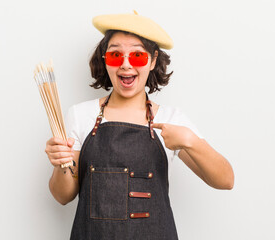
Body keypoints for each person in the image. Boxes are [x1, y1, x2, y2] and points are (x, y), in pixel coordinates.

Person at [45, 11, 234, 239]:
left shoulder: (170, 119)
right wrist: (60, 164)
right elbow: (63, 196)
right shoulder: (81, 115)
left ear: (153, 60)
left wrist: (190, 141)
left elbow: (226, 180)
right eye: (115, 55)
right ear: (105, 59)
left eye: (137, 56)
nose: (126, 65)